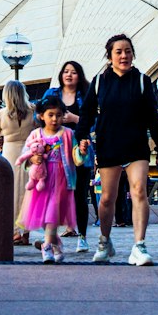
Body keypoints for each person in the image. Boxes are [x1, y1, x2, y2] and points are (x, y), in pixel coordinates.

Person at [75, 33, 158, 265]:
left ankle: (139, 245)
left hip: (136, 145)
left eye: (128, 51)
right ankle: (104, 241)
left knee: (139, 191)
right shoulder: (99, 82)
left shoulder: (141, 81)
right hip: (109, 145)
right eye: (118, 51)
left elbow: (153, 118)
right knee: (107, 198)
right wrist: (81, 137)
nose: (124, 55)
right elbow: (86, 114)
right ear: (110, 56)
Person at [16, 95, 77, 263]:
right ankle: (55, 241)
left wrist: (82, 153)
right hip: (41, 183)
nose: (55, 119)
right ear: (41, 116)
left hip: (60, 180)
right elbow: (25, 155)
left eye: (58, 115)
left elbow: (77, 156)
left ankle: (47, 245)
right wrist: (31, 160)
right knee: (44, 216)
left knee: (53, 213)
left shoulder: (68, 134)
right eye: (50, 115)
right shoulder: (35, 134)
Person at [41, 60, 95, 251]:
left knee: (80, 194)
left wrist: (75, 119)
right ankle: (51, 237)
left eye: (73, 72)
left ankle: (82, 236)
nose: (69, 75)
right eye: (65, 71)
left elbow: (94, 123)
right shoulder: (52, 94)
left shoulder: (87, 95)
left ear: (79, 75)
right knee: (53, 194)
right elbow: (38, 115)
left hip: (79, 150)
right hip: (55, 150)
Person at [0, 80, 35, 244]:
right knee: (28, 192)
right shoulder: (32, 110)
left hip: (10, 154)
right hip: (29, 153)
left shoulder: (3, 113)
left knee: (12, 193)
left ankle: (15, 232)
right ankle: (26, 232)